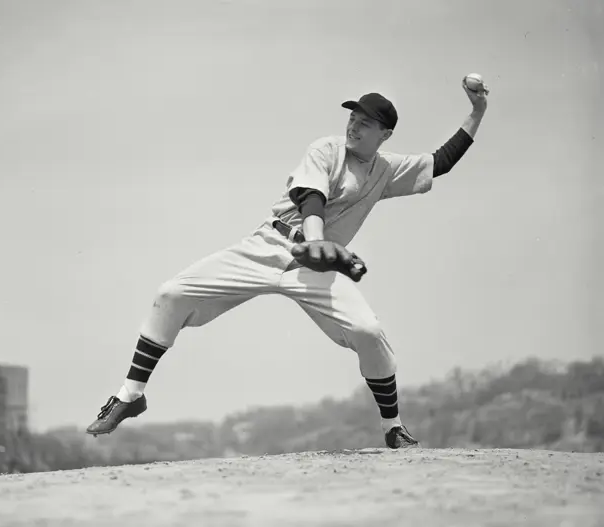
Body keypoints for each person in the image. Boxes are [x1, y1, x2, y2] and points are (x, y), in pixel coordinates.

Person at [86, 76, 489, 449]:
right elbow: (310, 196)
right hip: (268, 246)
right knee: (171, 294)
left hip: (315, 268)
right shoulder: (326, 148)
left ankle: (393, 428)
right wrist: (315, 241)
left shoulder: (387, 170)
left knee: (368, 331)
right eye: (353, 116)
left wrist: (476, 113)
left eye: (366, 123)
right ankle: (129, 396)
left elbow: (441, 162)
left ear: (384, 134)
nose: (354, 125)